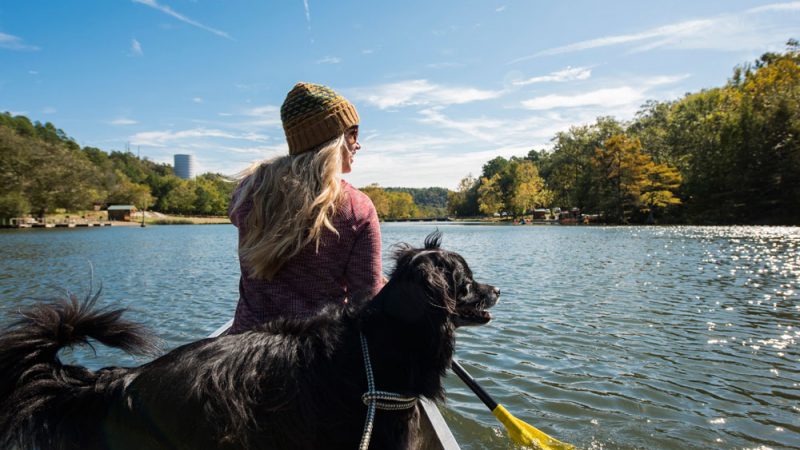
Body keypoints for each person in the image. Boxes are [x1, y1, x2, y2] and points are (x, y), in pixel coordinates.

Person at [228, 82, 383, 334]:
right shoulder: (357, 207)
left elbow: (238, 215)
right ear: (334, 139)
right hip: (315, 356)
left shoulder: (249, 191)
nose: (358, 144)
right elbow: (366, 302)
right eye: (353, 133)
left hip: (244, 349)